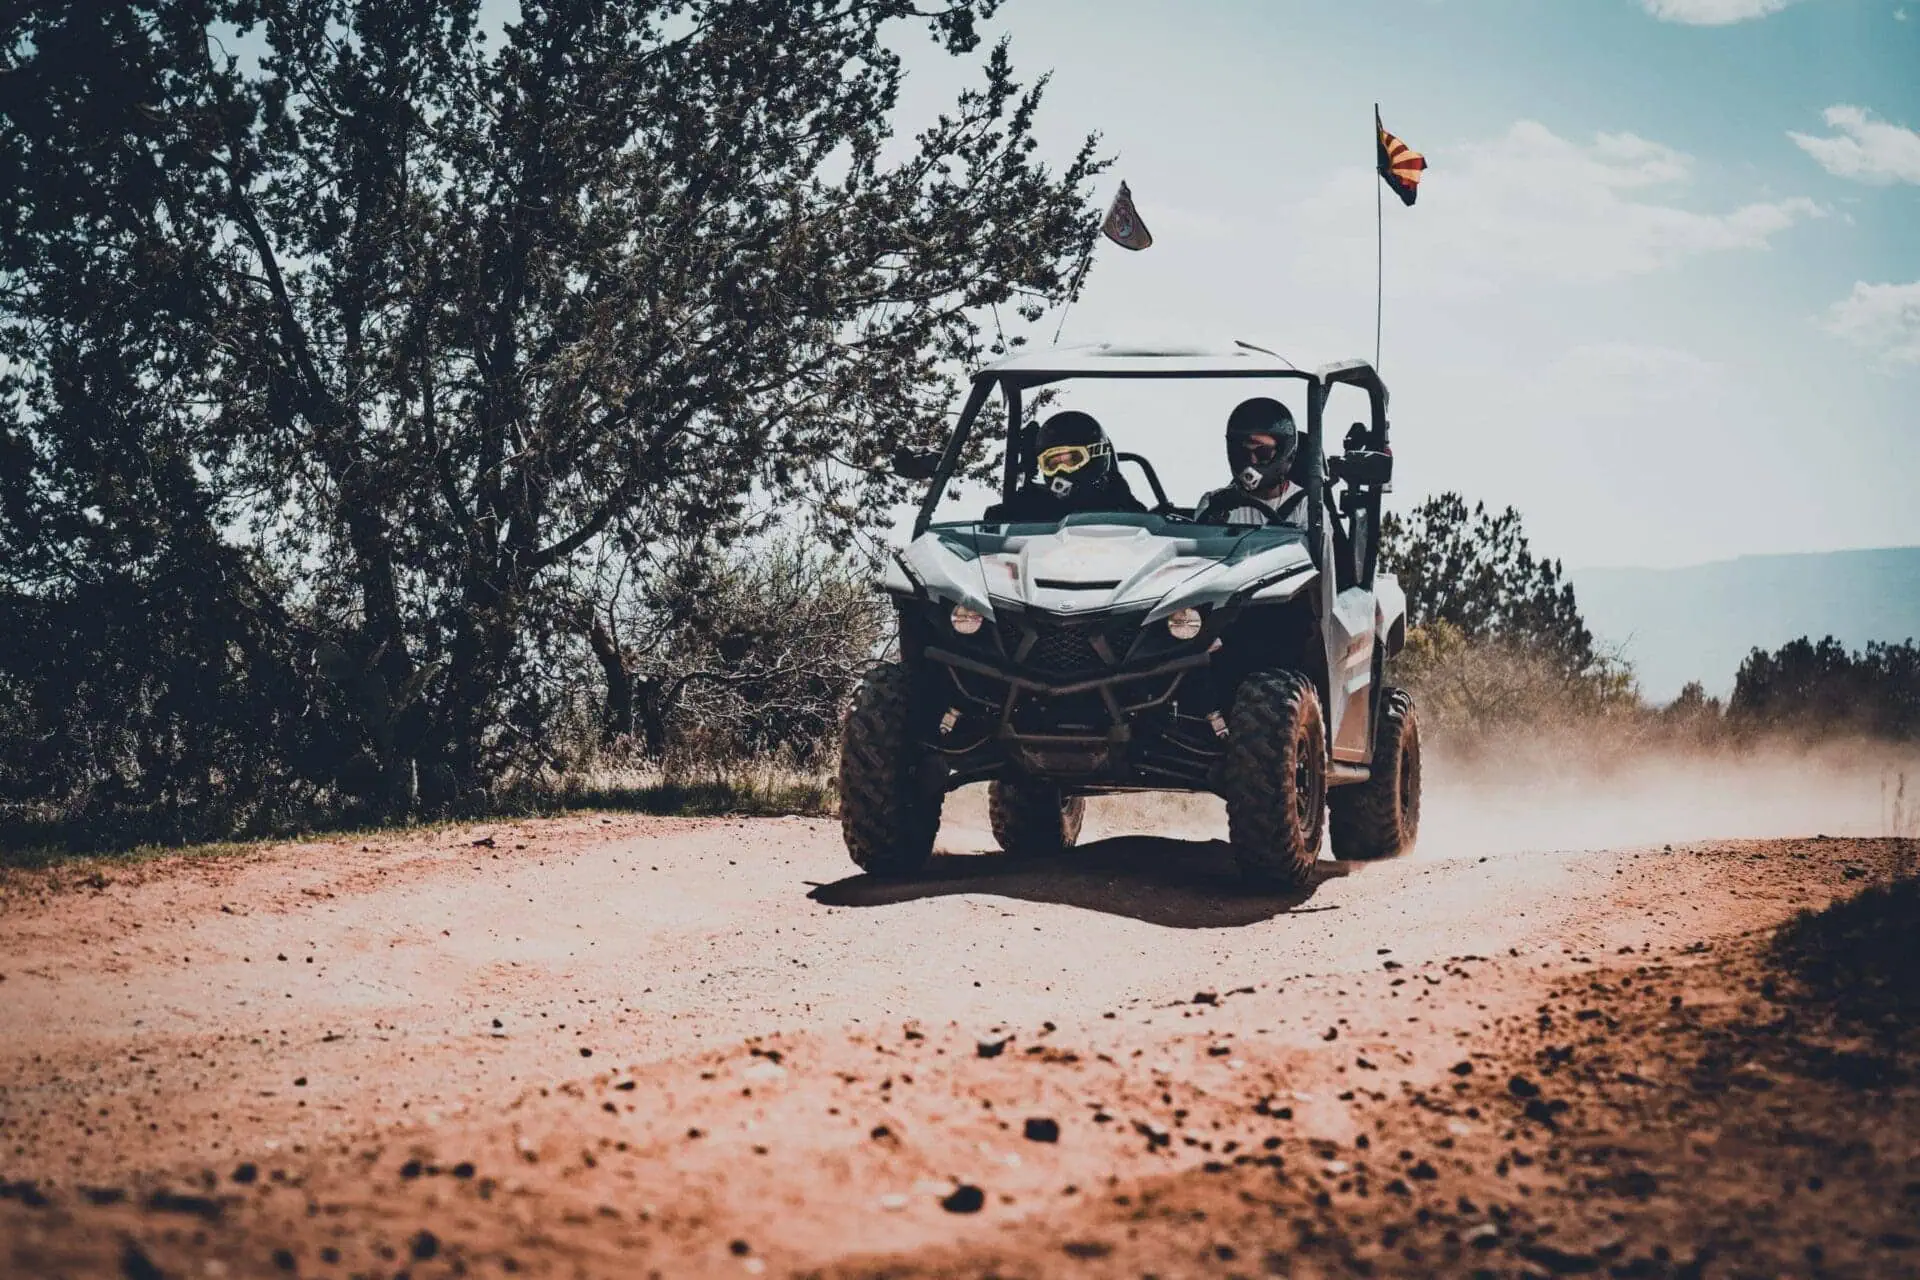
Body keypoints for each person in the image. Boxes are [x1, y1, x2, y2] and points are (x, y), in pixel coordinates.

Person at [983, 410, 1146, 523]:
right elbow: (999, 522)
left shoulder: (1117, 500)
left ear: (1095, 458)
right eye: (1051, 464)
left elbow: (1148, 531)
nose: (1061, 471)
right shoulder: (1036, 504)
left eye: (1072, 460)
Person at [1194, 397, 1309, 528]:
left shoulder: (1307, 507)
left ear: (1284, 453)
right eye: (1243, 452)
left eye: (1263, 453)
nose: (1252, 461)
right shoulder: (1214, 504)